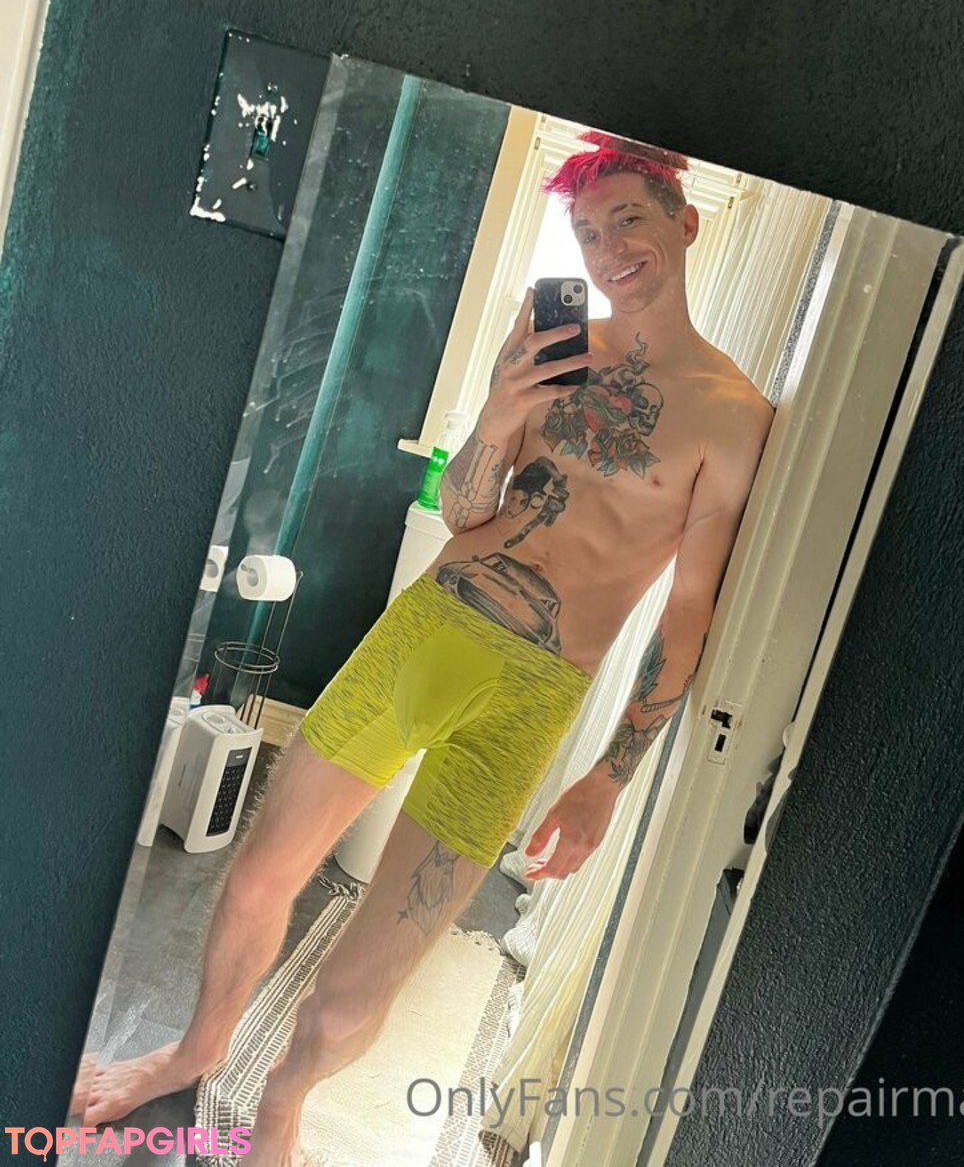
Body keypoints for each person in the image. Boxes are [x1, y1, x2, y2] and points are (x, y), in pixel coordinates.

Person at [81, 131, 774, 1164]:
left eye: (628, 218)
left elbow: (689, 609)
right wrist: (502, 407)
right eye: (586, 231)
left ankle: (281, 1104)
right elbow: (463, 511)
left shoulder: (734, 415)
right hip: (427, 631)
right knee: (261, 876)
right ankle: (192, 1051)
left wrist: (607, 779)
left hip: (533, 695)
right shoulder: (551, 332)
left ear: (688, 222)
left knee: (361, 987)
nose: (606, 249)